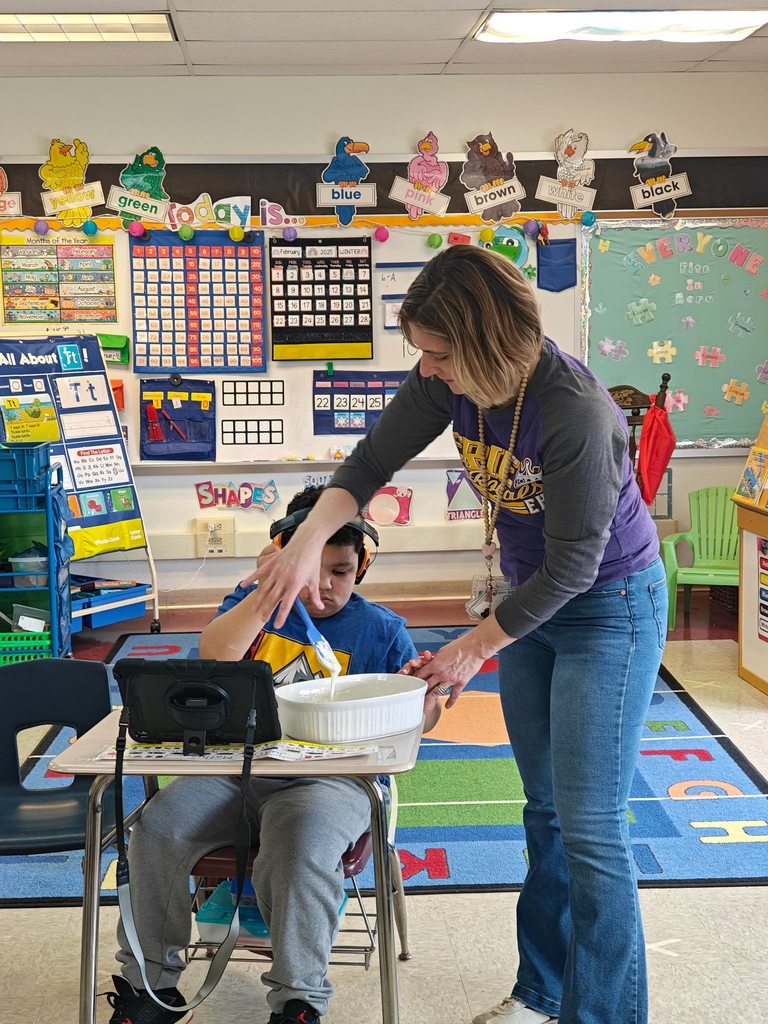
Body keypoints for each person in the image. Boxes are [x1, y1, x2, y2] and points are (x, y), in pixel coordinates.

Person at [247, 246, 668, 1024]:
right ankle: (542, 995)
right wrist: (305, 540)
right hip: (530, 605)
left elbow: (576, 564)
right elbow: (369, 465)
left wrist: (473, 644)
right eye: (424, 354)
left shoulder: (575, 412)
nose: (430, 370)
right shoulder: (454, 383)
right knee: (543, 810)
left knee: (592, 827)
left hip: (608, 608)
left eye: (439, 354)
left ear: (488, 341)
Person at [104, 484, 441, 1024]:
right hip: (239, 772)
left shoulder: (380, 629)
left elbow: (419, 722)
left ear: (363, 567)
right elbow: (215, 655)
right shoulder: (250, 605)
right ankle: (152, 986)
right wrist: (268, 589)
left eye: (341, 571)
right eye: (311, 566)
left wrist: (422, 699)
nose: (324, 586)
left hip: (334, 782)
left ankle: (298, 1001)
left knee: (300, 840)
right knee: (159, 827)